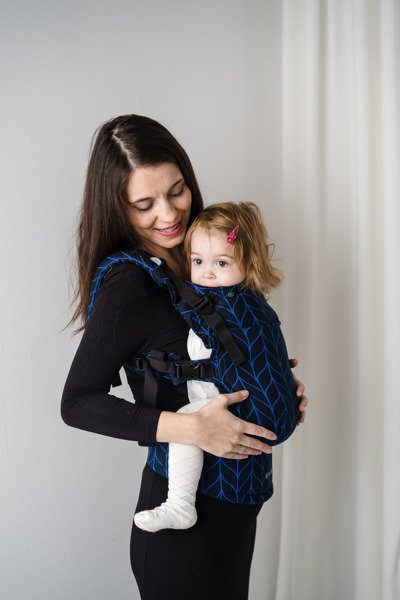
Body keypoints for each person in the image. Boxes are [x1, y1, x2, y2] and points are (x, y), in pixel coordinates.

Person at [61, 114, 309, 600]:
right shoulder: (128, 284)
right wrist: (193, 428)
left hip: (236, 502)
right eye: (144, 204)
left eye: (177, 191)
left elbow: (218, 353)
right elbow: (77, 403)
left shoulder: (202, 252)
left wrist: (273, 380)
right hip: (183, 518)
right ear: (117, 208)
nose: (169, 214)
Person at [133, 200, 300, 533]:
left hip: (233, 411)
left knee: (184, 423)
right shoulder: (251, 303)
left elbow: (181, 303)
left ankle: (180, 504)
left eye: (221, 262)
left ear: (250, 263)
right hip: (252, 422)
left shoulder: (224, 305)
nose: (207, 272)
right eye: (197, 261)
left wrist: (153, 271)